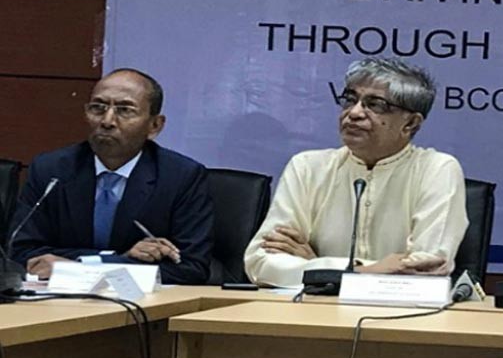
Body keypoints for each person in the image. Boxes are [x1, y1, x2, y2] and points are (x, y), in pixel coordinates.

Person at [244, 57, 468, 287]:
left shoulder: (437, 169)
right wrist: (360, 270)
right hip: (314, 307)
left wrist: (318, 268)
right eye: (350, 100)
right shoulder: (307, 167)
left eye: (376, 105)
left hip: (399, 309)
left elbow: (425, 270)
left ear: (410, 123)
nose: (354, 112)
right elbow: (260, 263)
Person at [10, 68, 214, 284]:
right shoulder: (51, 170)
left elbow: (192, 268)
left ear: (154, 126)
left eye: (125, 110)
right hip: (59, 299)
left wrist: (75, 266)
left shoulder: (181, 177)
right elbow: (19, 251)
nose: (107, 121)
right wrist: (116, 259)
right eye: (98, 108)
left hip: (142, 302)